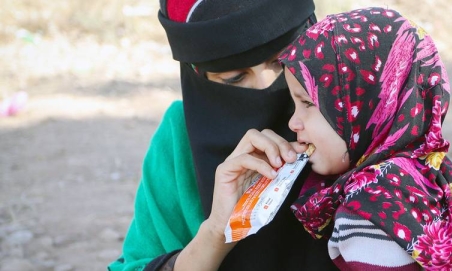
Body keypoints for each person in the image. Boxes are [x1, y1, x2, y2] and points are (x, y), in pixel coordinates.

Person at [278, 7, 452, 270]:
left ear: (364, 105)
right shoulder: (423, 172)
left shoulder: (367, 212)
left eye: (307, 103)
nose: (293, 122)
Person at [108, 0, 340, 270]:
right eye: (234, 79)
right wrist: (217, 231)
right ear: (199, 77)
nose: (266, 86)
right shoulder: (181, 136)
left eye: (281, 62)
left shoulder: (363, 111)